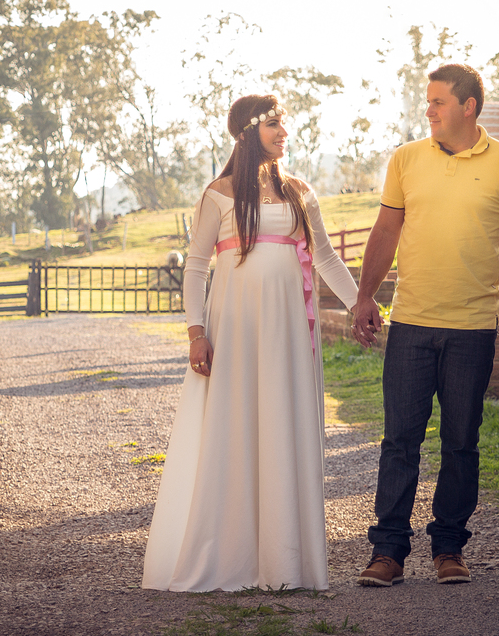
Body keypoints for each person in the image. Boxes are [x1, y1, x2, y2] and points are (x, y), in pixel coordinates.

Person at [141, 94, 361, 592]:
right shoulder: (218, 194)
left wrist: (360, 304)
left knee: (283, 424)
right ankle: (231, 555)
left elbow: (324, 258)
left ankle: (285, 564)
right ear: (247, 131)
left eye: (285, 124)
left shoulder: (300, 191)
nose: (284, 132)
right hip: (235, 330)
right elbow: (196, 266)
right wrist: (196, 331)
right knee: (237, 426)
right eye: (274, 125)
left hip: (287, 329)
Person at [351, 64, 499, 587]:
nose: (428, 110)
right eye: (428, 101)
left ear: (468, 106)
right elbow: (387, 228)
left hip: (474, 327)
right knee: (400, 441)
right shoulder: (407, 159)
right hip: (411, 322)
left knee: (461, 440)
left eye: (437, 101)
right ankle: (387, 553)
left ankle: (449, 549)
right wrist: (365, 296)